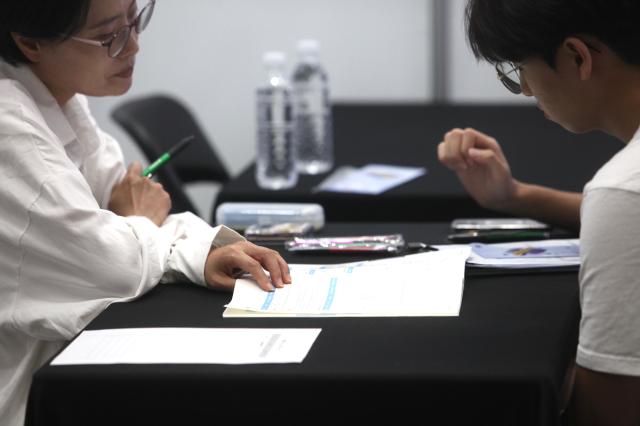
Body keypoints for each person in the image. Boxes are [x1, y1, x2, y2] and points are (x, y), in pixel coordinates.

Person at [0, 1, 292, 424]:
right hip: (35, 393)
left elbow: (128, 213)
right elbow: (114, 265)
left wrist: (205, 250)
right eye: (109, 36)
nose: (134, 45)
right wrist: (135, 223)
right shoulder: (11, 130)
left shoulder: (56, 97)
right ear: (29, 42)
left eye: (135, 21)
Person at [438, 0, 640, 424]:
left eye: (519, 70)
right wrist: (514, 196)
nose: (527, 90)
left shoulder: (622, 190)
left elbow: (609, 409)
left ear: (576, 56)